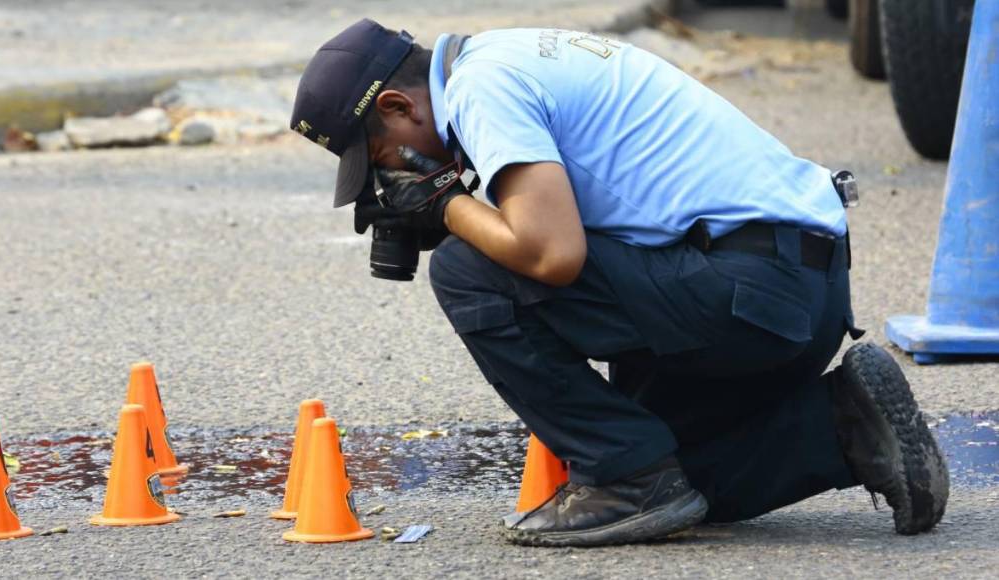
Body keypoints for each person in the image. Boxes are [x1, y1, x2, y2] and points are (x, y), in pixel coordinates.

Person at [288, 19, 949, 547]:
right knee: (681, 483)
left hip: (752, 288)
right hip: (795, 291)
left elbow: (553, 257)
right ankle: (847, 425)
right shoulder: (504, 58)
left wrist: (441, 206)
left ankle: (627, 474)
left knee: (469, 271)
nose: (390, 179)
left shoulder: (482, 90)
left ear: (400, 105)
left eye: (381, 160)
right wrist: (450, 196)